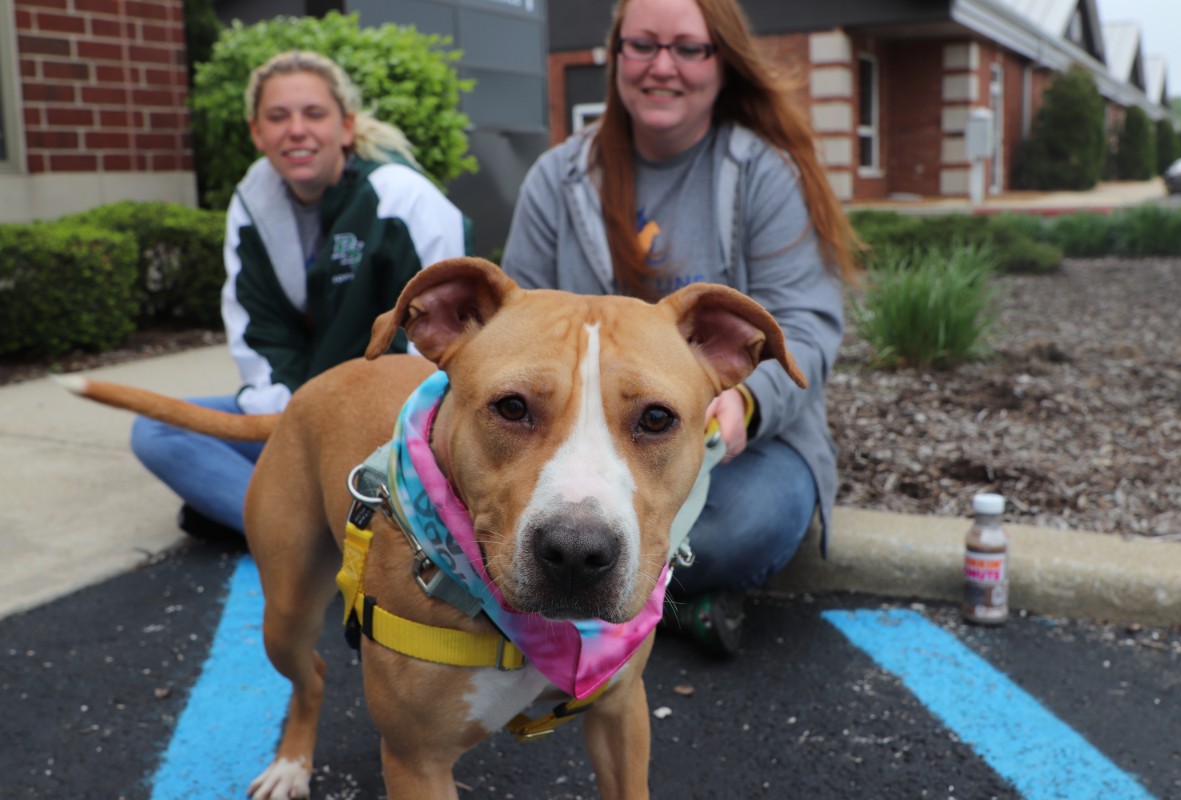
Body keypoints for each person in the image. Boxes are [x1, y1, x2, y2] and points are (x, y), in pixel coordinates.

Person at [501, 0, 859, 654]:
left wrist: (745, 403)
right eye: (642, 45)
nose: (662, 66)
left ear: (723, 63)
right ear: (616, 58)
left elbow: (804, 329)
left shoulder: (765, 175)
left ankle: (587, 605)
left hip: (739, 445)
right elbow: (513, 325)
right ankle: (664, 605)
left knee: (741, 524)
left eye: (688, 48)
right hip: (567, 446)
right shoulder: (558, 178)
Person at [131, 50, 471, 543]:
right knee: (157, 431)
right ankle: (305, 535)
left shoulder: (404, 198)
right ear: (257, 132)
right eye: (278, 116)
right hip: (307, 414)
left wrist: (351, 429)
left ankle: (284, 528)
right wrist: (295, 430)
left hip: (393, 430)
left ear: (346, 127)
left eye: (313, 113)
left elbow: (439, 354)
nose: (296, 129)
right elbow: (259, 330)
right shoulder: (253, 203)